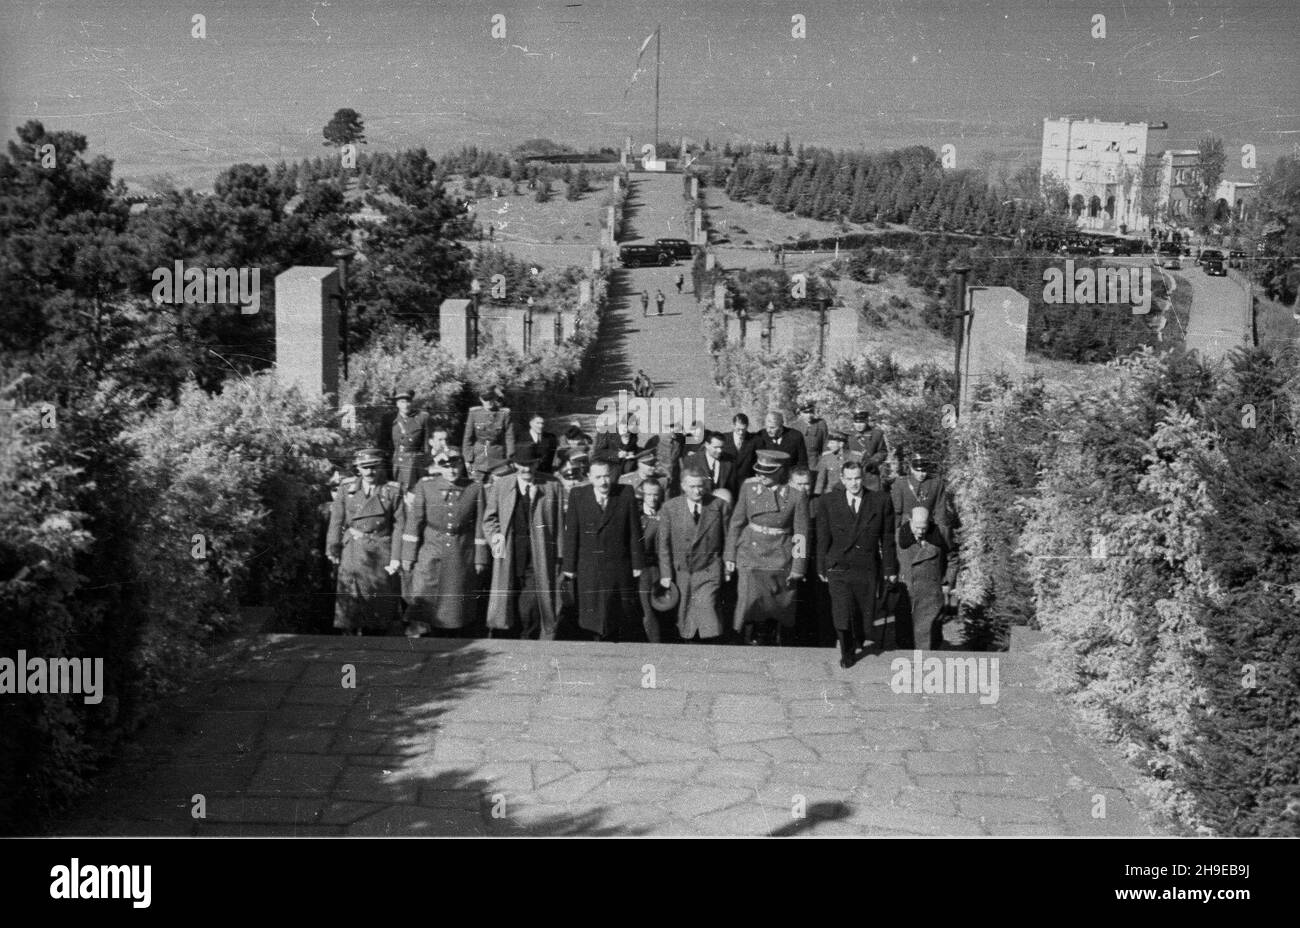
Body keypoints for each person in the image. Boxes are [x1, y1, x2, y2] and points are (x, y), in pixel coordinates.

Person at [815, 460, 897, 667]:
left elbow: (887, 538)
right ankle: (847, 652)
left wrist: (889, 568)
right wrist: (821, 565)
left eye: (857, 478)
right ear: (842, 479)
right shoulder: (828, 501)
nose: (854, 483)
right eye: (849, 479)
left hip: (866, 565)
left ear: (863, 478)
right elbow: (823, 536)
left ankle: (857, 638)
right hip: (838, 565)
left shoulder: (880, 501)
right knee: (842, 610)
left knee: (862, 611)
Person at [400, 448, 487, 637]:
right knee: (423, 592)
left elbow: (480, 525)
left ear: (462, 465)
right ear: (439, 467)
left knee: (454, 601)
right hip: (431, 549)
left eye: (455, 465)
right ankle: (421, 637)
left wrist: (480, 558)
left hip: (460, 551)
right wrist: (408, 555)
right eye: (446, 466)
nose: (452, 471)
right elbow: (415, 522)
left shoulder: (474, 488)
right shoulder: (426, 486)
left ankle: (451, 638)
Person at [725, 449, 808, 645]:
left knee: (777, 604)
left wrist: (798, 567)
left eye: (767, 472)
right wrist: (729, 556)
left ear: (780, 471)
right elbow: (736, 523)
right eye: (759, 471)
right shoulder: (748, 488)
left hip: (780, 555)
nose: (761, 475)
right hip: (750, 553)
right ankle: (747, 641)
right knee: (749, 602)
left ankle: (771, 640)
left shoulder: (796, 496)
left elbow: (801, 534)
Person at [481, 450, 563, 639]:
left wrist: (558, 555)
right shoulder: (502, 485)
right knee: (508, 596)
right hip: (511, 552)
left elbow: (559, 523)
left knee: (533, 600)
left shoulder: (552, 485)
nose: (526, 469)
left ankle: (529, 638)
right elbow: (489, 519)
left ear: (537, 463)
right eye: (522, 465)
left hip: (539, 553)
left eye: (531, 464)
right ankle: (508, 638)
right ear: (515, 465)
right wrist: (497, 542)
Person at [562, 457, 645, 641]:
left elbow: (634, 530)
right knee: (591, 613)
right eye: (598, 477)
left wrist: (637, 563)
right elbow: (572, 533)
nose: (604, 481)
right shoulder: (578, 495)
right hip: (588, 566)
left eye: (607, 476)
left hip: (617, 564)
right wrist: (569, 567)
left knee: (615, 613)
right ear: (590, 477)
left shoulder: (625, 493)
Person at [327, 448, 405, 635]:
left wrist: (395, 557)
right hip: (352, 551)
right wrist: (332, 548)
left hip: (380, 551)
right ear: (357, 469)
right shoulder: (347, 489)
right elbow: (336, 520)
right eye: (364, 468)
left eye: (373, 467)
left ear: (380, 467)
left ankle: (377, 642)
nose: (369, 472)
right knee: (351, 602)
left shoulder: (393, 491)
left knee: (378, 603)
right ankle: (350, 645)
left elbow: (399, 527)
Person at [658, 467, 729, 642]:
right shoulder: (670, 507)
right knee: (685, 615)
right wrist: (666, 574)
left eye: (700, 486)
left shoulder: (718, 506)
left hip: (709, 569)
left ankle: (710, 650)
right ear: (683, 486)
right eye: (692, 486)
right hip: (683, 570)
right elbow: (664, 544)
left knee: (707, 608)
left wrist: (727, 566)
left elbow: (728, 539)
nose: (697, 491)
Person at [896, 506, 957, 651]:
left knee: (929, 641)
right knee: (906, 640)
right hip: (907, 593)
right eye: (917, 527)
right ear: (910, 521)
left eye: (924, 527)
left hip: (932, 595)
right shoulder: (899, 535)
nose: (920, 531)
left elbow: (953, 558)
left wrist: (947, 581)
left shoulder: (940, 533)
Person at [637, 480, 668, 643]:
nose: (653, 498)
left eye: (656, 494)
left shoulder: (664, 515)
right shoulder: (635, 513)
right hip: (634, 568)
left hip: (652, 570)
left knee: (650, 612)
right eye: (648, 494)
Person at [463, 388, 516, 478]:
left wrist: (510, 457)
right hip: (478, 457)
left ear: (495, 398)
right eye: (485, 399)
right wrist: (467, 459)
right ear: (480, 399)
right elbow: (468, 437)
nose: (488, 402)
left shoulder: (503, 414)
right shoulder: (474, 413)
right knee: (475, 484)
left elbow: (509, 437)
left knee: (499, 484)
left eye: (491, 399)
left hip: (498, 456)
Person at [390, 389, 432, 493]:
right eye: (402, 402)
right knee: (397, 493)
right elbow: (385, 444)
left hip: (415, 464)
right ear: (397, 404)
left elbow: (427, 444)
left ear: (412, 402)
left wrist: (426, 464)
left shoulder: (422, 418)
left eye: (408, 401)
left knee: (415, 493)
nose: (406, 405)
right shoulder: (389, 419)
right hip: (396, 464)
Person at [684, 432, 733, 497]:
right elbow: (686, 487)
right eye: (716, 447)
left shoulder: (729, 461)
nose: (719, 451)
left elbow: (732, 487)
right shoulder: (691, 461)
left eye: (722, 447)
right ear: (707, 445)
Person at [847, 409, 887, 491]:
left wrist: (873, 461)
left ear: (866, 421)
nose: (858, 425)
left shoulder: (876, 434)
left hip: (870, 473)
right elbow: (844, 452)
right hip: (853, 473)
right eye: (856, 422)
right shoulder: (848, 435)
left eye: (861, 422)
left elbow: (883, 451)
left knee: (872, 498)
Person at [791, 401, 828, 474]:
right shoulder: (794, 427)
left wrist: (823, 461)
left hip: (816, 461)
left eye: (811, 412)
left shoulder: (821, 424)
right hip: (800, 463)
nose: (809, 415)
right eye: (805, 413)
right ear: (800, 413)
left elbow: (825, 444)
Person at [722, 413, 759, 485]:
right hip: (727, 482)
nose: (741, 432)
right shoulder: (724, 438)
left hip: (746, 483)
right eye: (738, 429)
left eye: (743, 429)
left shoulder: (755, 440)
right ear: (733, 425)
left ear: (747, 426)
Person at [814, 429, 850, 496]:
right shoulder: (826, 458)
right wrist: (817, 495)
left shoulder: (855, 457)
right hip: (831, 494)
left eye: (832, 443)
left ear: (841, 444)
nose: (828, 445)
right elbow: (820, 479)